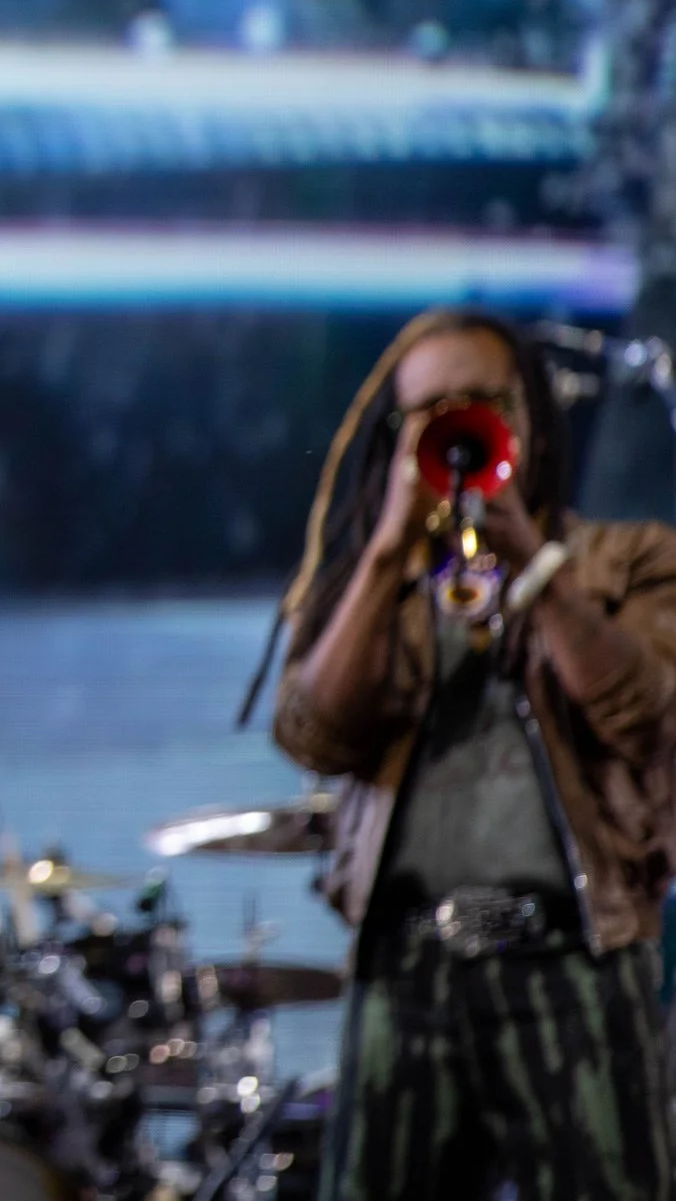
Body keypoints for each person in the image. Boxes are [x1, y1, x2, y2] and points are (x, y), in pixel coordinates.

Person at [272, 307, 676, 1201]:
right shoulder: (380, 584)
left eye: (485, 403)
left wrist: (533, 564)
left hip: (578, 961)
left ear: (532, 414)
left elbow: (649, 718)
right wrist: (386, 552)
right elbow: (312, 733)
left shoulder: (628, 560)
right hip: (408, 971)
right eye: (434, 411)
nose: (462, 429)